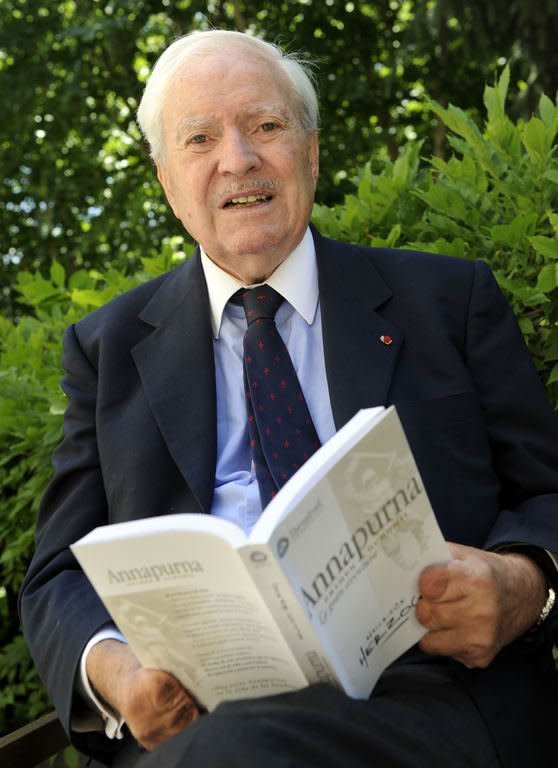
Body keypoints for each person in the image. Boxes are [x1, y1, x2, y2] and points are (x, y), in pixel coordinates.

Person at [19, 29, 558, 768]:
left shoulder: (448, 301)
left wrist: (523, 583)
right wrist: (116, 672)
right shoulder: (106, 351)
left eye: (265, 126)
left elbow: (548, 492)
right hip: (202, 715)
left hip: (432, 694)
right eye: (200, 138)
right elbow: (55, 574)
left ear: (310, 149)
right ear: (167, 181)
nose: (237, 159)